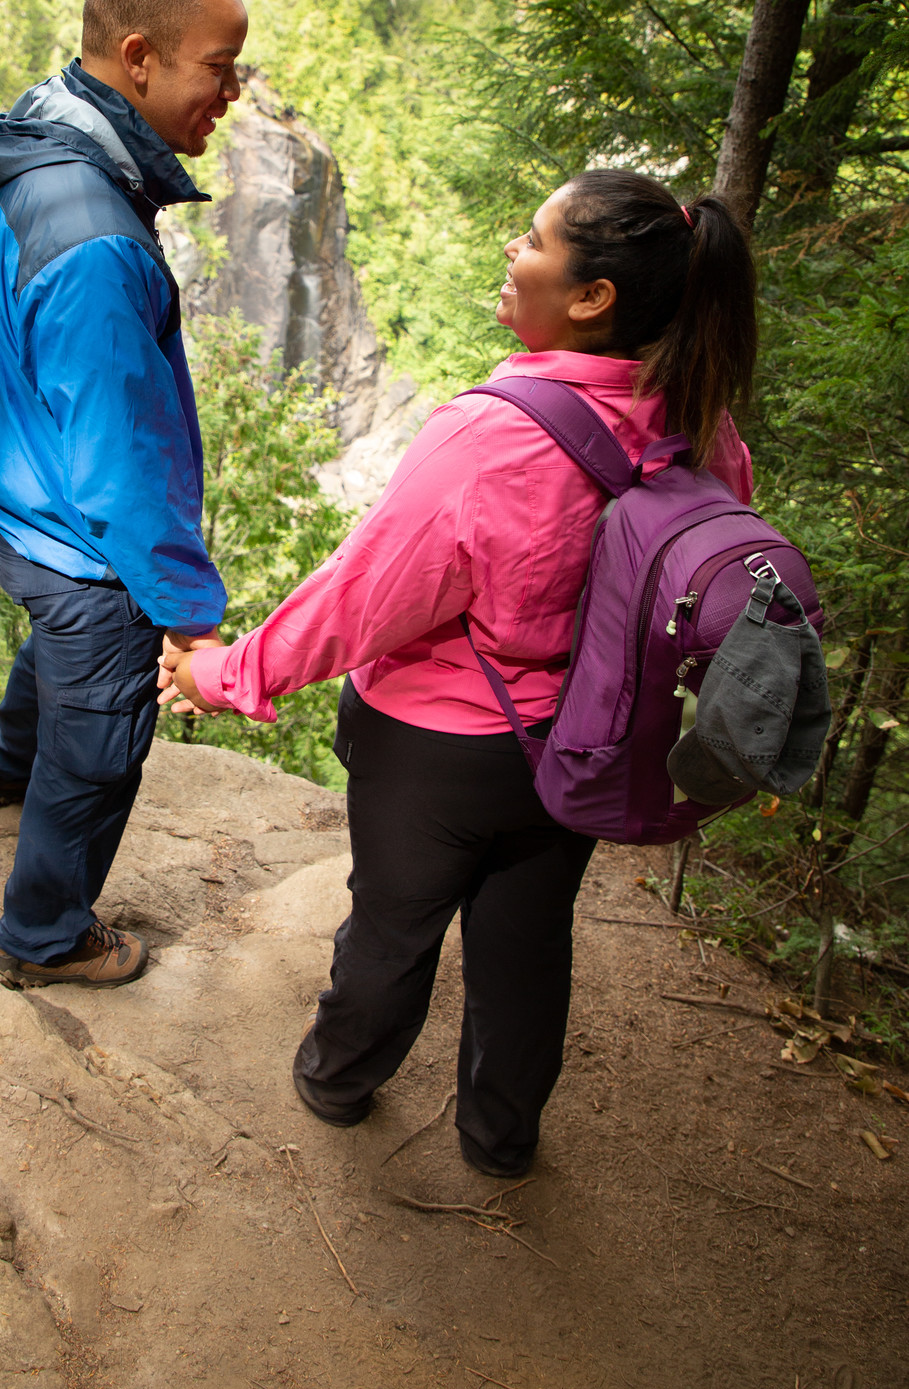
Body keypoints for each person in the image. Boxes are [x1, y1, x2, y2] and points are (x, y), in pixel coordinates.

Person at [160, 170, 757, 1176]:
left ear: (590, 296)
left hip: (437, 750)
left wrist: (226, 671)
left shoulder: (496, 432)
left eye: (531, 238)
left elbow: (364, 599)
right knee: (526, 948)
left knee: (392, 928)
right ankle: (500, 1135)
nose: (510, 251)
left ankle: (338, 1080)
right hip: (583, 746)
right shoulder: (702, 428)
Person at [0, 0, 247, 990]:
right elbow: (123, 465)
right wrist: (188, 615)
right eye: (217, 67)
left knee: (56, 653)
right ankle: (43, 935)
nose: (231, 92)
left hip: (16, 488)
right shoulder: (99, 242)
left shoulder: (32, 137)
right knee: (103, 729)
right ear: (137, 57)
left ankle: (1, 770)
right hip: (80, 533)